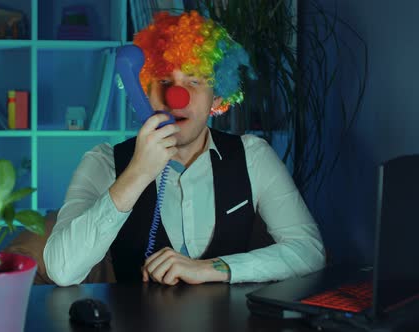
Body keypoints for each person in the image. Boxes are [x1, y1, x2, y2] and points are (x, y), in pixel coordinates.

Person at [43, 10, 325, 286]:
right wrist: (137, 174)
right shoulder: (104, 162)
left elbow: (309, 251)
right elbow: (61, 270)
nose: (177, 97)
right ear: (142, 92)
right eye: (164, 81)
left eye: (194, 81)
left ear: (216, 97)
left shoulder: (253, 155)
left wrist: (211, 269)